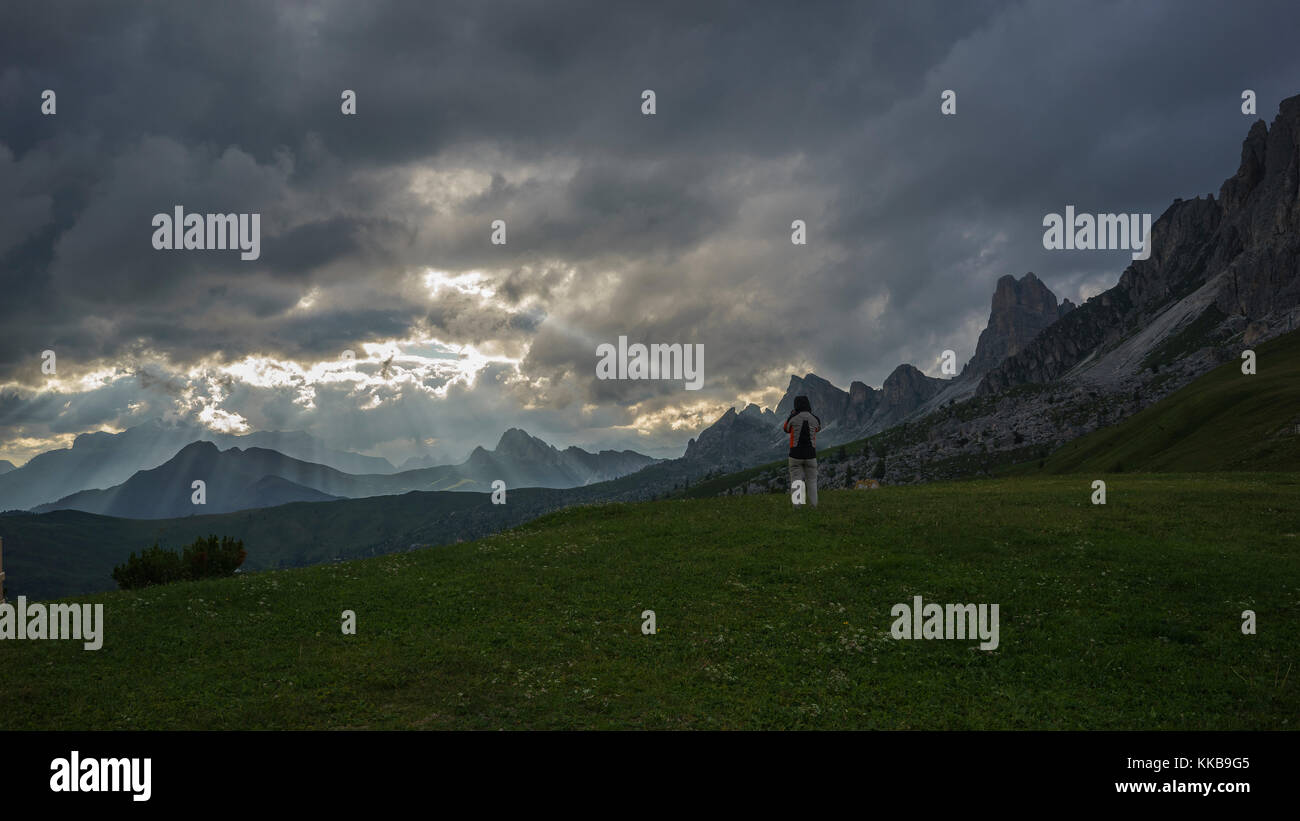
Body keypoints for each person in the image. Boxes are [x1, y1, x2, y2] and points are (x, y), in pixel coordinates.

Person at [782, 395, 821, 507]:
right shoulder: (815, 418)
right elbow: (818, 429)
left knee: (796, 480)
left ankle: (797, 507)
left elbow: (786, 429)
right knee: (812, 481)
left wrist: (792, 414)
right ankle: (814, 505)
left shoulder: (793, 417)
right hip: (811, 455)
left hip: (795, 454)